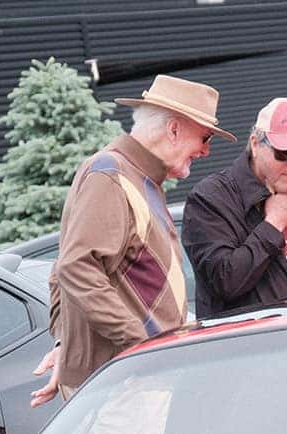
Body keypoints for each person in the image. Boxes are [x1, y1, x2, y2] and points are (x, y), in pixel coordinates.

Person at [31, 74, 235, 405]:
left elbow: (63, 267)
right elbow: (74, 267)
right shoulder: (110, 175)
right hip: (125, 385)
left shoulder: (135, 176)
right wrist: (140, 345)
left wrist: (65, 343)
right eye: (205, 137)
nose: (206, 151)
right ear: (173, 129)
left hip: (135, 377)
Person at [182, 97, 287, 318]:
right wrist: (273, 224)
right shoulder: (210, 197)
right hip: (251, 345)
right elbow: (225, 281)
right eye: (283, 153)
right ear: (256, 144)